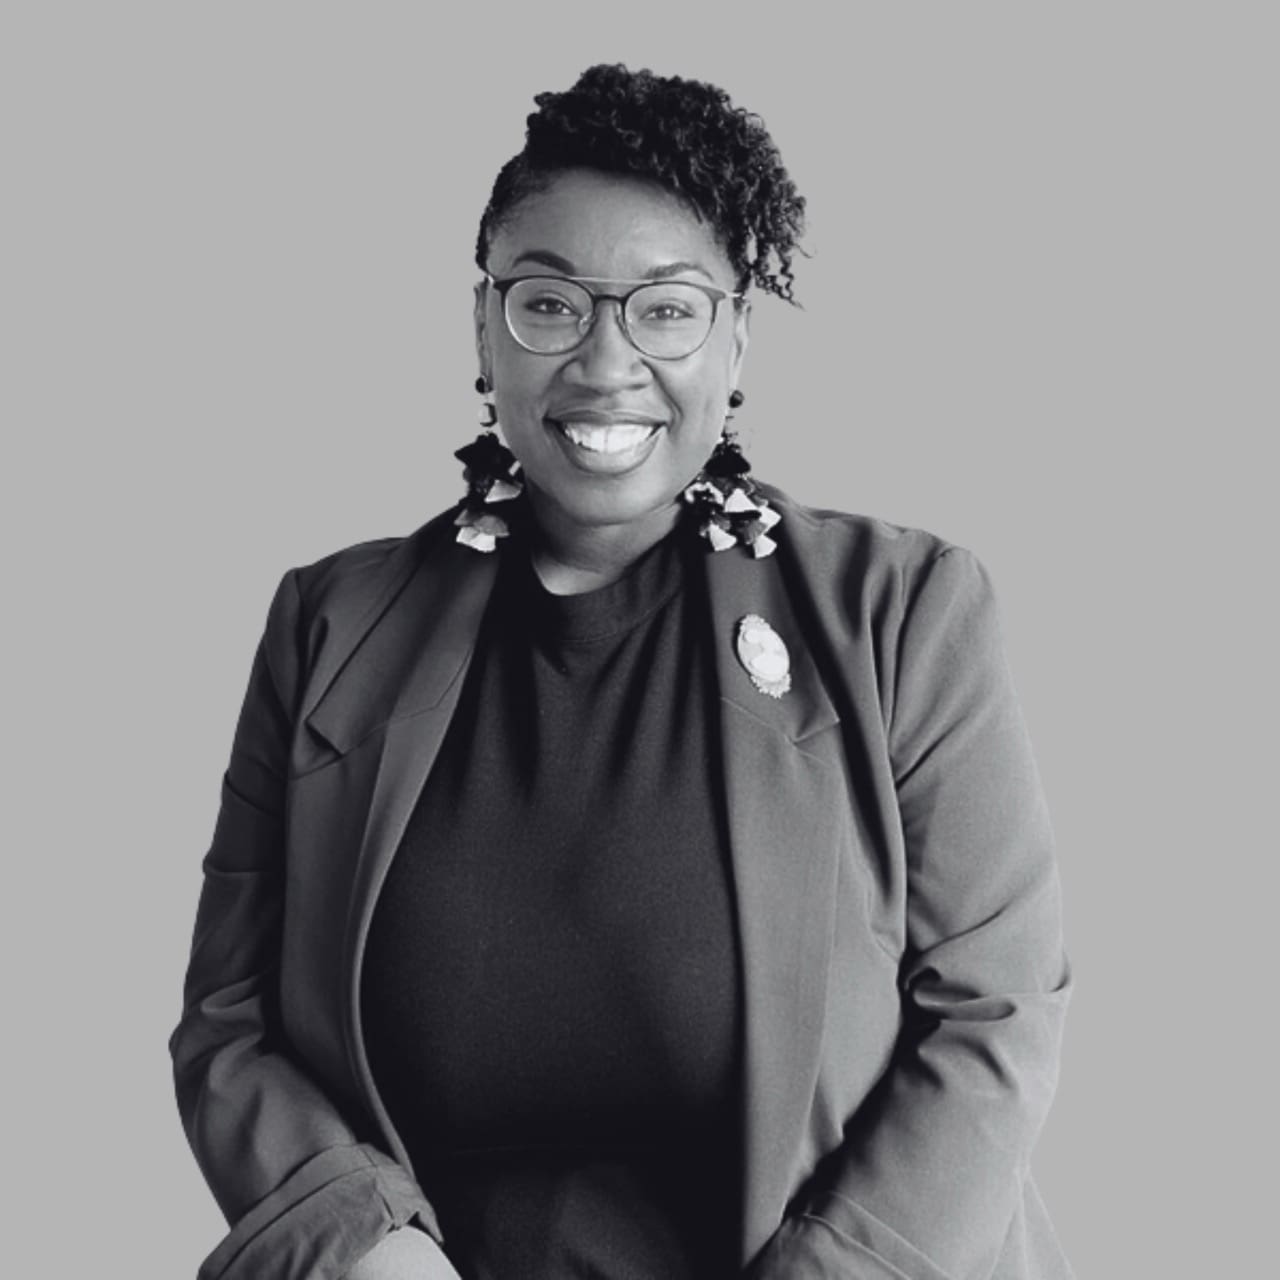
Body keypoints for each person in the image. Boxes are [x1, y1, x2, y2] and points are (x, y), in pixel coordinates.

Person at [170, 63, 1074, 1280]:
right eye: (549, 304)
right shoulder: (329, 622)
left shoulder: (899, 610)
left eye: (663, 309)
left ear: (735, 335)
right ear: (482, 327)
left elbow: (994, 1014)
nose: (604, 362)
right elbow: (229, 1022)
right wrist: (356, 1239)